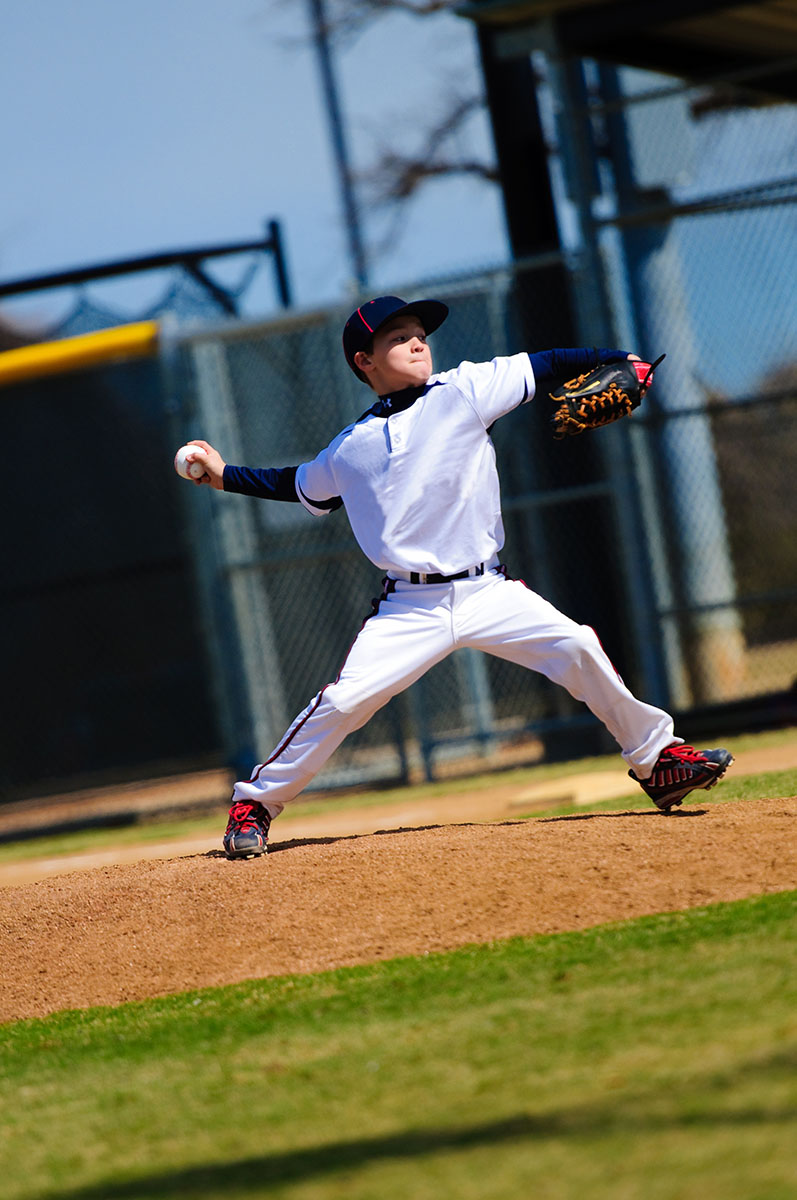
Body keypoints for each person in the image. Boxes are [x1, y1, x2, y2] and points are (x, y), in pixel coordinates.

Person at [183, 295, 733, 859]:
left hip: (488, 590)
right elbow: (295, 482)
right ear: (364, 361)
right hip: (408, 607)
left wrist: (621, 359)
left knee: (577, 646)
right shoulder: (349, 448)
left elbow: (547, 362)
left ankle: (658, 761)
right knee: (345, 702)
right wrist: (224, 475)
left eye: (419, 334)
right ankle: (254, 804)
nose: (417, 342)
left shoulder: (465, 389)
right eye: (398, 337)